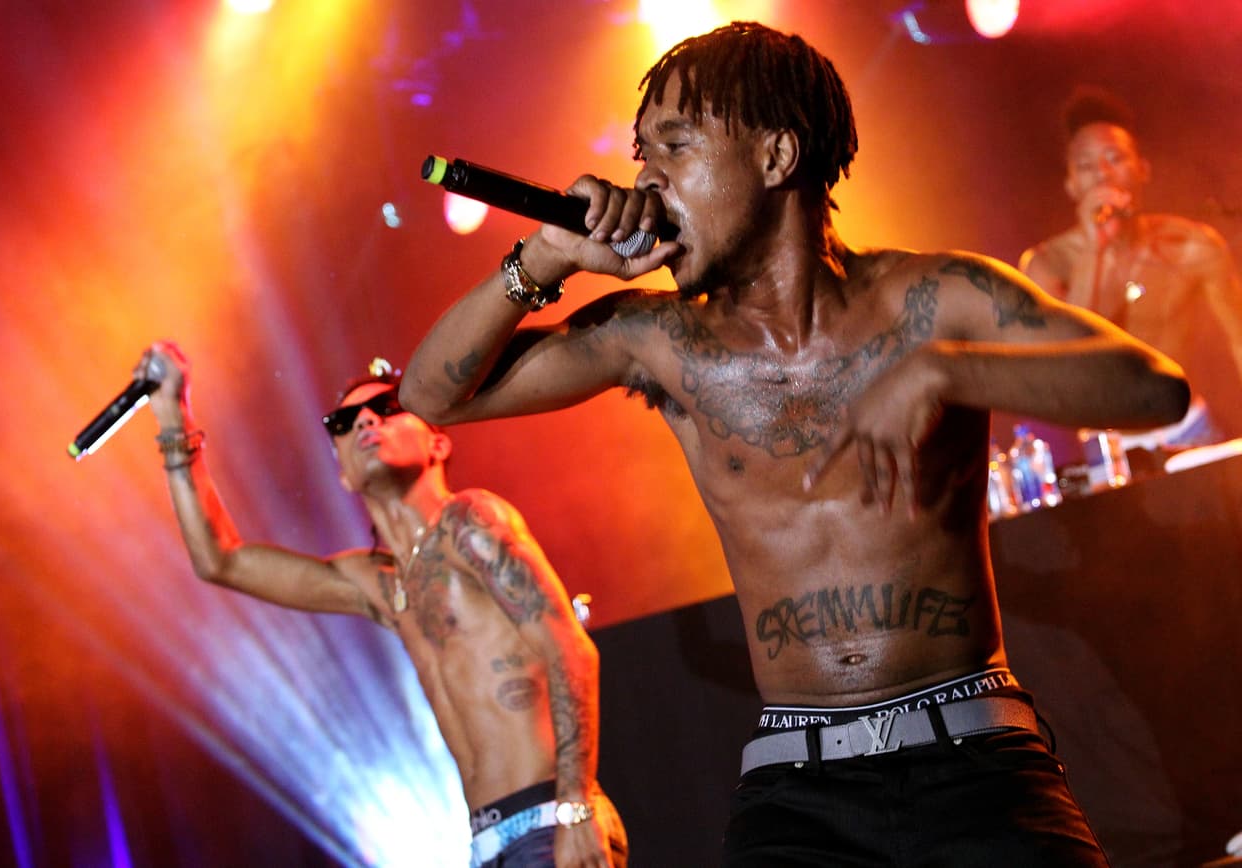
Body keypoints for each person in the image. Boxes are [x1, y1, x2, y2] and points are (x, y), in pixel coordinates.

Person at [400, 21, 1190, 866]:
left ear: (776, 158)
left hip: (977, 760)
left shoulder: (933, 297)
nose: (646, 181)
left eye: (675, 147)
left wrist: (942, 374)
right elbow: (430, 397)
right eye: (642, 155)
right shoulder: (659, 341)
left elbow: (1155, 387)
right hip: (796, 791)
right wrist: (547, 255)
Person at [135, 341, 627, 868]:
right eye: (343, 421)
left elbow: (570, 651)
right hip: (487, 843)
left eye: (388, 408)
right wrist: (172, 413)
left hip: (549, 820)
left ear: (438, 442)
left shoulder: (470, 523)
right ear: (342, 472)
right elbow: (221, 561)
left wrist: (575, 807)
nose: (367, 420)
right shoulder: (380, 582)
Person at [1019, 85, 1242, 451]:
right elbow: (1068, 362)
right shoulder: (1047, 264)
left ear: (1143, 170)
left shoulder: (1192, 246)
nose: (1103, 175)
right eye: (1087, 166)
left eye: (1115, 158)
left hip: (1185, 429)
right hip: (1107, 447)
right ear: (1071, 185)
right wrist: (1096, 249)